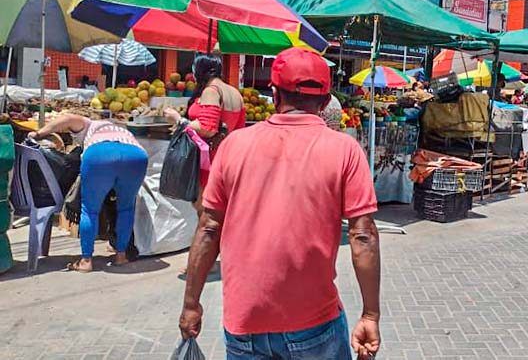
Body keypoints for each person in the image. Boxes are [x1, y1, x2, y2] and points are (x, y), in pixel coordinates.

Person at [179, 47, 381, 360]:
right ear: (326, 102)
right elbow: (363, 235)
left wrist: (191, 304)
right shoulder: (345, 150)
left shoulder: (234, 146)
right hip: (314, 323)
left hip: (244, 324)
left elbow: (208, 228)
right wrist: (370, 315)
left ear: (274, 95)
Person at [29, 114, 148, 272]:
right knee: (126, 208)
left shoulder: (90, 124)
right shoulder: (122, 129)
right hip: (136, 155)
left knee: (90, 209)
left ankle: (86, 261)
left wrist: (38, 134)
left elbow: (67, 119)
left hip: (100, 154)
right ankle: (121, 255)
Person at [164, 54, 245, 210]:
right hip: (230, 159)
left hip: (209, 161)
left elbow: (207, 128)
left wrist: (178, 120)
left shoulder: (211, 91)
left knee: (205, 215)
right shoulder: (235, 93)